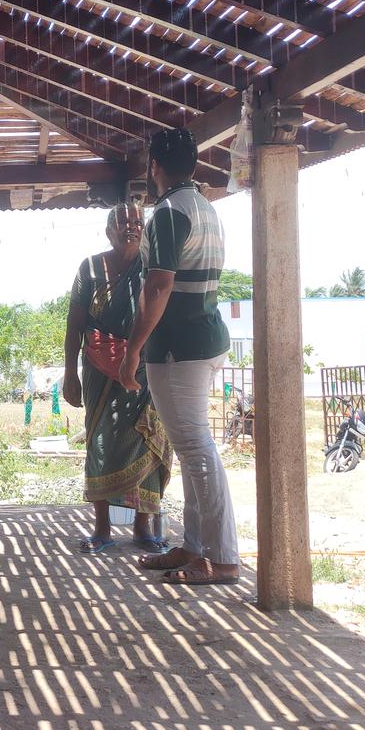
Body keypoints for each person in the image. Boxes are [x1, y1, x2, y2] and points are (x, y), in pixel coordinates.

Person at [120, 128, 240, 586]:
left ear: (154, 167)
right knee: (193, 450)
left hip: (179, 347)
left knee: (196, 449)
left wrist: (133, 348)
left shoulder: (169, 211)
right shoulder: (206, 208)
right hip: (203, 341)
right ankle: (194, 547)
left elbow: (158, 285)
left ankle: (223, 558)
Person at [63, 202, 172, 554]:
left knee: (147, 439)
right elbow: (74, 324)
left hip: (145, 369)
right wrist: (69, 373)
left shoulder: (153, 266)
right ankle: (102, 527)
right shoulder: (91, 268)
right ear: (108, 230)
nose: (131, 226)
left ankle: (143, 528)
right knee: (101, 442)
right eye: (123, 221)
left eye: (137, 221)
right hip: (97, 369)